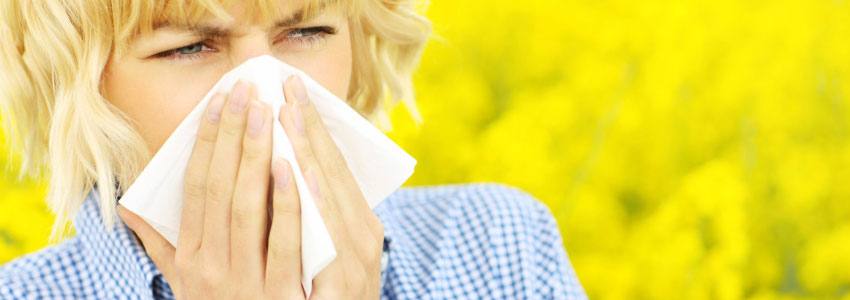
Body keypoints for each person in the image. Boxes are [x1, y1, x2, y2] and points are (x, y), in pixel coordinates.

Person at [0, 0, 586, 298]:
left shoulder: (497, 246)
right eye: (189, 47)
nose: (267, 97)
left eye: (305, 33)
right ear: (78, 85)